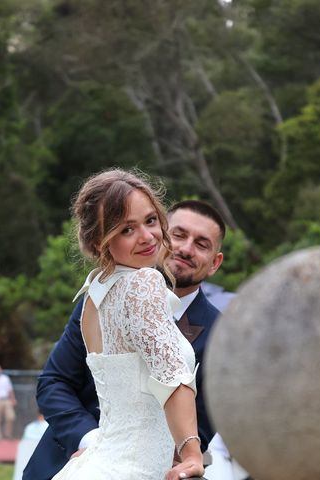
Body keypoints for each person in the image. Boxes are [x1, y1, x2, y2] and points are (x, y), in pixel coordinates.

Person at [24, 171, 225, 480]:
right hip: (101, 462)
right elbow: (54, 382)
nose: (147, 236)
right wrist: (192, 453)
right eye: (127, 229)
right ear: (99, 239)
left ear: (216, 261)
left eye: (150, 221)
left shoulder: (97, 290)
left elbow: (206, 416)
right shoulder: (144, 282)